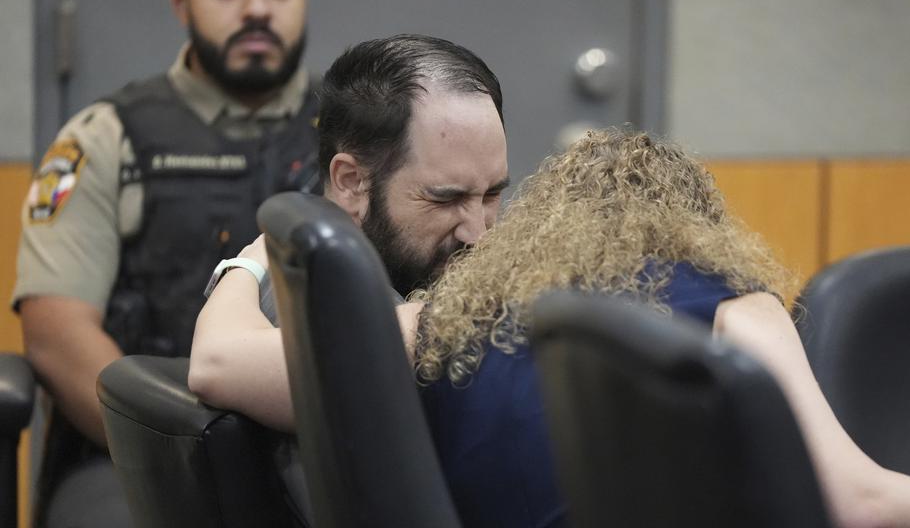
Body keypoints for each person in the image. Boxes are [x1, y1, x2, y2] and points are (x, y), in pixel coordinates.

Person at [199, 128, 910, 528]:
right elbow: (859, 502)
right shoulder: (731, 309)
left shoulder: (439, 325)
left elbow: (218, 363)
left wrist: (251, 262)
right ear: (697, 227)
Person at [13, 0, 317, 525]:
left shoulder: (358, 136)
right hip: (135, 458)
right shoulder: (105, 138)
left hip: (316, 453)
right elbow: (57, 333)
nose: (257, 7)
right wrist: (179, 449)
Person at [191, 33, 510, 420]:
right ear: (351, 181)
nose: (478, 234)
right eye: (445, 199)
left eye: (492, 195)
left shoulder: (274, 273)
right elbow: (214, 366)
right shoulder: (329, 300)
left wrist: (245, 266)